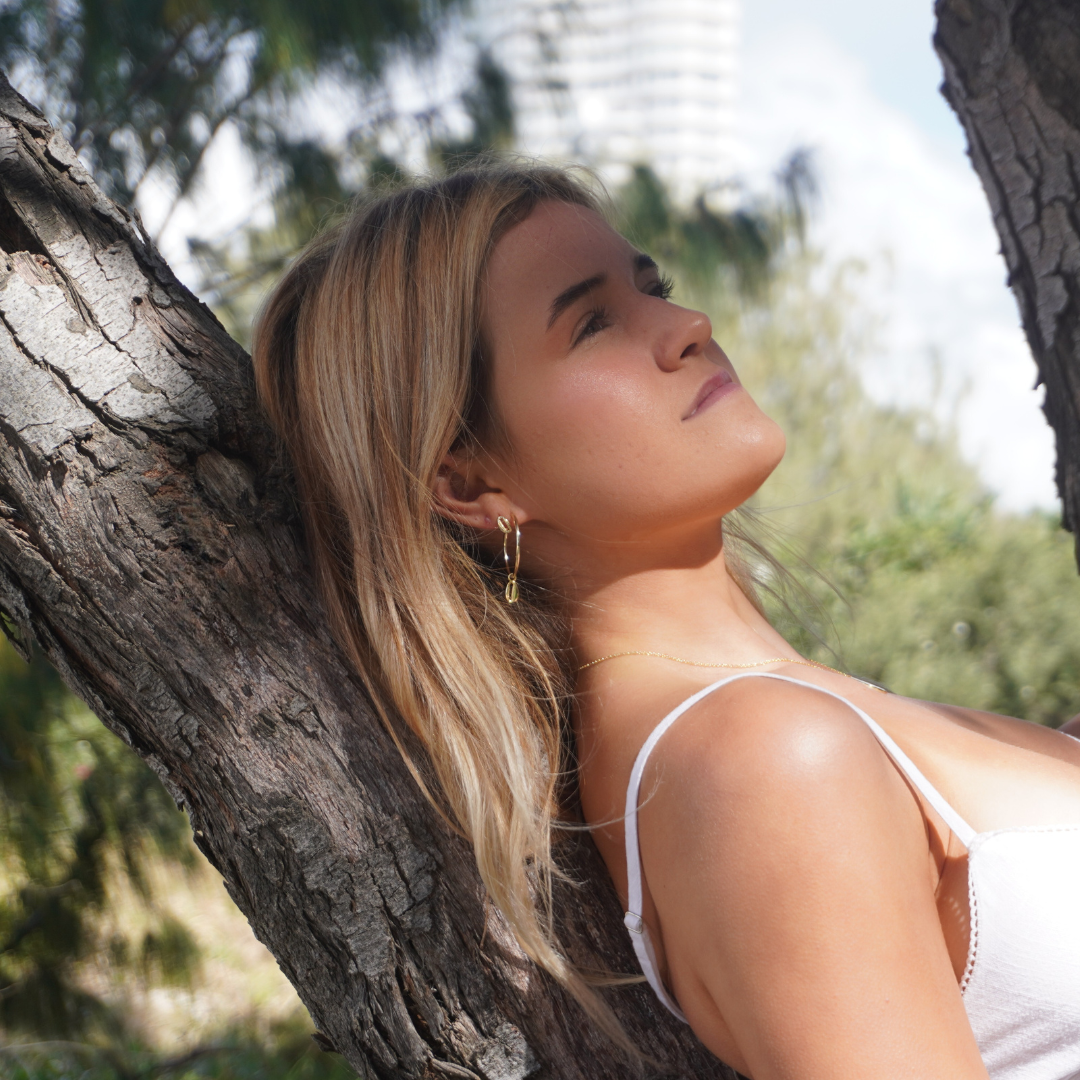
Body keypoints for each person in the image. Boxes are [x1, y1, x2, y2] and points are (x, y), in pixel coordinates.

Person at [252, 162, 1080, 1080]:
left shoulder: (797, 732)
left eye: (655, 290)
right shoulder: (761, 762)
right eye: (594, 322)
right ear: (471, 482)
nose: (689, 327)